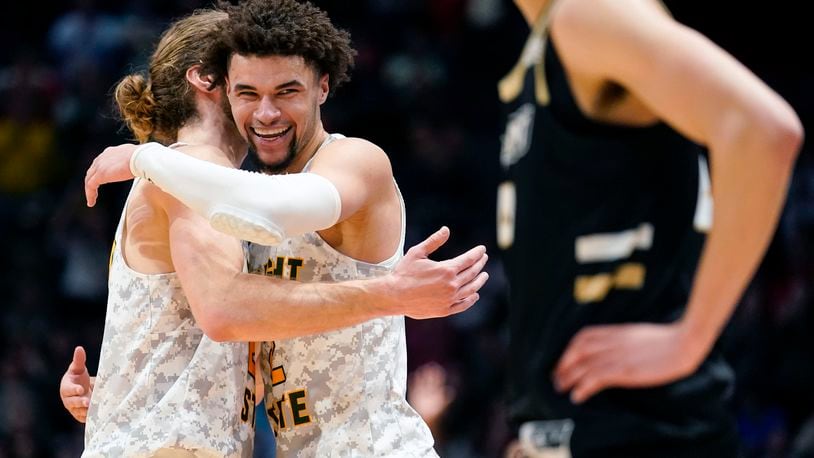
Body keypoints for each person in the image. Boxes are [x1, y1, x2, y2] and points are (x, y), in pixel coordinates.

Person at [66, 0, 489, 456]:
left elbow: (265, 228)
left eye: (286, 91)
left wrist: (143, 157)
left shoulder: (351, 160)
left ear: (322, 88)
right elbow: (253, 345)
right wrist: (127, 380)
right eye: (248, 92)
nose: (266, 113)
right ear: (220, 86)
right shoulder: (215, 187)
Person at [497, 0, 803, 456]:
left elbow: (763, 130)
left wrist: (691, 338)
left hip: (649, 432)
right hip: (595, 432)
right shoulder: (545, 49)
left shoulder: (587, 13)